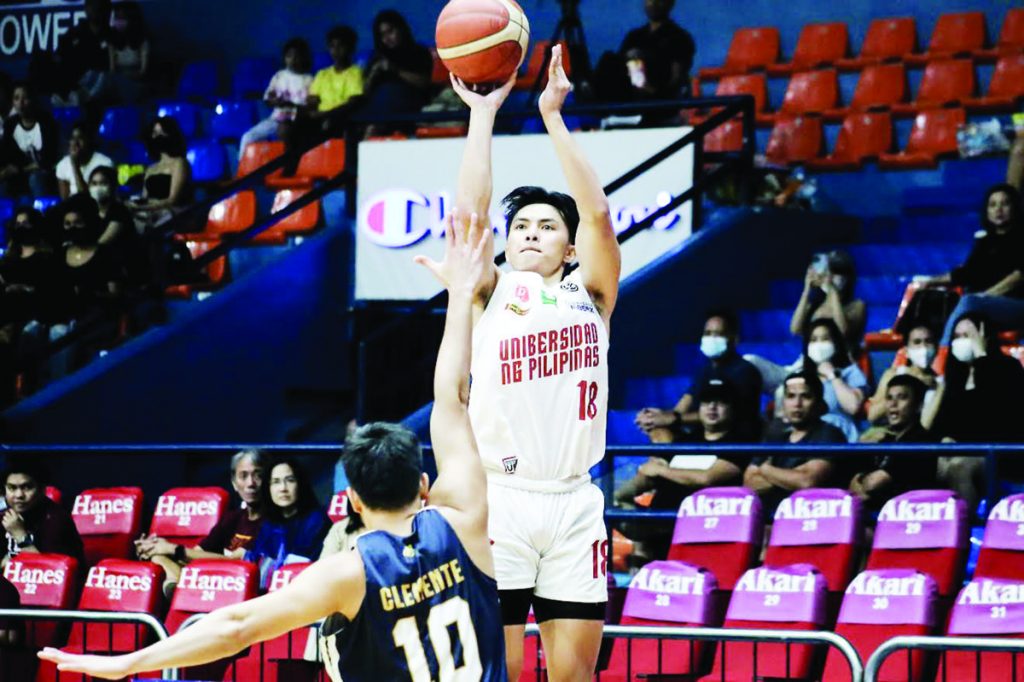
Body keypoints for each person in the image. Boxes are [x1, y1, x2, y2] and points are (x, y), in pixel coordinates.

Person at [40, 211, 508, 682]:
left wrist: (129, 662)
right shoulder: (465, 519)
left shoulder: (347, 574)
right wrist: (463, 297)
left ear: (356, 502)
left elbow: (236, 625)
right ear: (424, 484)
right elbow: (454, 398)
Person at [437, 45, 619, 682]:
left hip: (574, 500)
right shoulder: (489, 293)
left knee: (576, 677)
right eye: (522, 227)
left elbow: (597, 214)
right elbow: (468, 218)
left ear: (569, 249)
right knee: (503, 673)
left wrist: (552, 115)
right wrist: (483, 115)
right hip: (501, 500)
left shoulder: (590, 296)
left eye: (548, 226)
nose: (533, 232)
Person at [615, 378, 754, 562]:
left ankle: (643, 553)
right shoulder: (686, 439)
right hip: (658, 521)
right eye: (706, 402)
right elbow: (651, 472)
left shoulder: (738, 443)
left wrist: (661, 471)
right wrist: (629, 486)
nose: (712, 407)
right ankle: (641, 552)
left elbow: (707, 478)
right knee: (607, 498)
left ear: (732, 408)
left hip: (700, 525)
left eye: (720, 402)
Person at [135, 450, 264, 595]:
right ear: (234, 484)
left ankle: (180, 592)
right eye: (243, 476)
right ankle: (179, 591)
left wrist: (173, 549)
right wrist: (154, 548)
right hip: (211, 584)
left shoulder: (272, 524)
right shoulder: (233, 518)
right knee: (158, 558)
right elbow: (197, 554)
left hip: (238, 589)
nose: (251, 483)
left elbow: (237, 562)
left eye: (258, 475)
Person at [746, 250, 867, 396]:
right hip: (803, 366)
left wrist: (832, 292)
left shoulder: (856, 306)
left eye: (836, 273)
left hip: (832, 368)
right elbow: (795, 328)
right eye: (829, 273)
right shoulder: (815, 305)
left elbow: (843, 331)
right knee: (750, 362)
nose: (831, 277)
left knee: (781, 393)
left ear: (848, 277)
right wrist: (806, 289)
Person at [916, 184, 1024, 345]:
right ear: (986, 211)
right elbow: (966, 273)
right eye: (993, 205)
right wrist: (930, 282)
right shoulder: (984, 242)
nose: (998, 209)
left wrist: (984, 297)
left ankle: (941, 353)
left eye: (1005, 204)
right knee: (932, 298)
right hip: (983, 305)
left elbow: (1018, 277)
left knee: (969, 302)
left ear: (1014, 207)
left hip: (1015, 305)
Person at [635, 310, 762, 441]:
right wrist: (655, 417)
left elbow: (723, 415)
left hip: (731, 437)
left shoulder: (745, 371)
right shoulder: (704, 370)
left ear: (734, 340)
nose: (711, 339)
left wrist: (673, 419)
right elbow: (683, 405)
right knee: (659, 430)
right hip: (701, 434)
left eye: (718, 334)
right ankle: (661, 461)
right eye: (707, 334)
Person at [748, 371, 845, 511]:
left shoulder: (829, 435)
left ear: (818, 402)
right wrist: (789, 478)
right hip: (774, 518)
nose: (797, 404)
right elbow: (749, 482)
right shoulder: (775, 435)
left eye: (805, 396)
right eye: (791, 396)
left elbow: (806, 481)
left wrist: (765, 469)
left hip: (814, 518)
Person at [243, 456, 330, 589]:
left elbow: (300, 571)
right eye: (276, 482)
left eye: (289, 480)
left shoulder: (316, 521)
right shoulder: (267, 523)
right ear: (268, 488)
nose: (283, 488)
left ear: (300, 484)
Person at [854, 374, 937, 510]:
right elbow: (854, 489)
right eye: (889, 398)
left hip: (910, 518)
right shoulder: (880, 439)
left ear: (919, 406)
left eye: (902, 398)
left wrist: (864, 481)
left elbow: (873, 485)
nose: (893, 404)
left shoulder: (921, 441)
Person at [239, 38, 315, 157]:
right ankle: (242, 172)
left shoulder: (310, 80)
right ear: (285, 58)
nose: (293, 60)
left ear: (304, 58)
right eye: (289, 56)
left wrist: (290, 104)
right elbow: (268, 99)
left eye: (297, 56)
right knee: (248, 137)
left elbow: (309, 107)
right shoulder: (279, 76)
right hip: (276, 118)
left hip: (297, 121)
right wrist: (274, 101)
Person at [1, 459, 84, 568]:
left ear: (42, 490)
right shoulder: (5, 515)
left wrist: (20, 535)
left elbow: (48, 571)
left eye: (26, 487)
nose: (19, 495)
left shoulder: (56, 520)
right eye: (12, 488)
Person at [361, 10, 432, 135]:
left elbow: (424, 83)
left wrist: (396, 70)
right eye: (382, 35)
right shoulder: (377, 57)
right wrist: (372, 75)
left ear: (401, 29)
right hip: (377, 112)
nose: (387, 38)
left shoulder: (419, 52)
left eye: (390, 32)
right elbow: (365, 92)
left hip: (409, 107)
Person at [799, 318, 868, 442]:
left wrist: (832, 376)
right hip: (807, 435)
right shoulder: (801, 376)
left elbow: (852, 406)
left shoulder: (850, 372)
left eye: (825, 339)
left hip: (839, 434)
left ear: (835, 343)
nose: (819, 345)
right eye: (813, 340)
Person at [619, 0, 696, 100]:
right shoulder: (634, 37)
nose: (653, 3)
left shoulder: (679, 37)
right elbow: (621, 65)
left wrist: (654, 92)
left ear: (671, 3)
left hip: (661, 103)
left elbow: (676, 78)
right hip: (628, 101)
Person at [865, 323, 939, 423]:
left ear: (937, 348)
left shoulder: (940, 384)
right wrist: (908, 382)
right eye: (917, 342)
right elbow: (872, 415)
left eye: (928, 341)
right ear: (906, 351)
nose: (923, 347)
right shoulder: (892, 374)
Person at [128, 117, 192, 231]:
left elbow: (173, 200)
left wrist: (147, 207)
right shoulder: (151, 169)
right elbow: (144, 198)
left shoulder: (179, 163)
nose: (158, 136)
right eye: (155, 133)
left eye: (162, 132)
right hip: (150, 211)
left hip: (171, 213)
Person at [0, 83, 59, 199]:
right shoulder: (10, 125)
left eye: (25, 98)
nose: (21, 103)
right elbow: (7, 157)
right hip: (20, 174)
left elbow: (48, 160)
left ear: (33, 100)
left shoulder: (46, 122)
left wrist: (21, 169)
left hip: (46, 172)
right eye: (16, 98)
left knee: (35, 178)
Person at [305, 27, 364, 135]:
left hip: (342, 117)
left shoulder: (356, 73)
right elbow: (313, 99)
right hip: (321, 117)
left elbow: (352, 104)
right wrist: (310, 110)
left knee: (331, 124)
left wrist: (326, 114)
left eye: (340, 45)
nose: (336, 50)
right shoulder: (322, 74)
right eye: (332, 46)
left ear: (351, 48)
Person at [54, 0, 112, 106]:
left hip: (101, 90)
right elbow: (60, 59)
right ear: (86, 8)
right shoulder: (73, 34)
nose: (94, 9)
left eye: (98, 6)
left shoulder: (112, 36)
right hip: (73, 88)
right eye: (91, 5)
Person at [56, 122, 113, 200]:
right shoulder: (62, 165)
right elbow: (65, 200)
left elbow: (88, 199)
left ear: (88, 140)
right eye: (73, 138)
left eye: (80, 138)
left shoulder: (104, 163)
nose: (75, 143)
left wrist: (75, 166)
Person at [107, 1, 151, 102]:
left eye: (122, 18)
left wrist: (131, 76)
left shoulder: (142, 41)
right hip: (118, 81)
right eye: (116, 18)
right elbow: (112, 68)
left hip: (136, 81)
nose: (118, 22)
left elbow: (143, 71)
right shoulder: (112, 39)